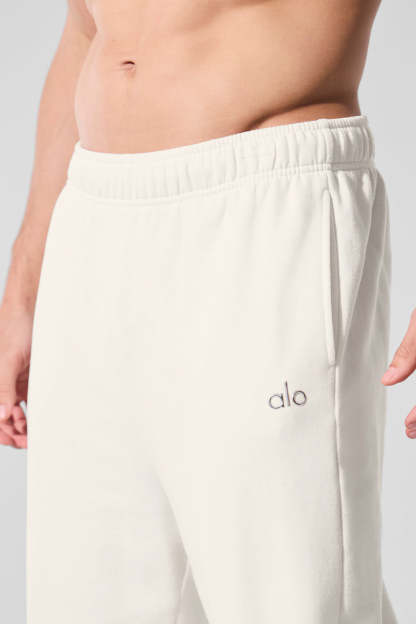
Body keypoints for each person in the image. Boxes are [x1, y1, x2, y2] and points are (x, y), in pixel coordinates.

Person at [0, 0, 412, 621]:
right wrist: (24, 282)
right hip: (91, 215)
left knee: (290, 599)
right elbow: (85, 26)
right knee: (86, 601)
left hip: (266, 203)